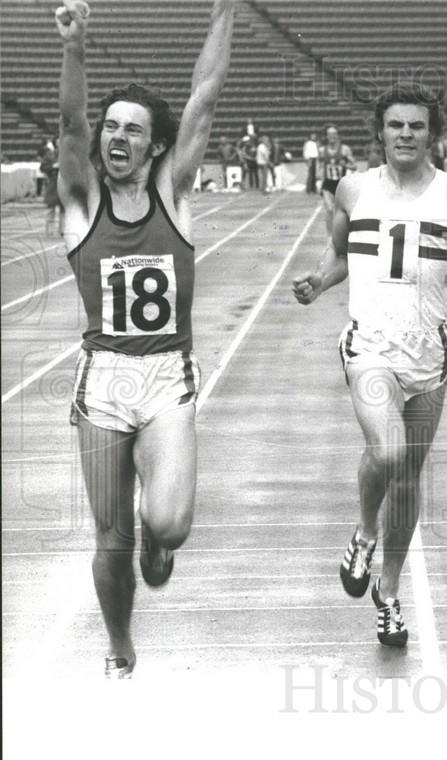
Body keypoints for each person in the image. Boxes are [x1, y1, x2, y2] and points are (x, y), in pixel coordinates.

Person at [292, 82, 447, 647]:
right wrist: (319, 280)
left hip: (428, 356)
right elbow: (341, 252)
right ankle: (364, 533)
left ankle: (388, 593)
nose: (406, 135)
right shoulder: (353, 189)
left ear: (433, 134)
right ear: (381, 132)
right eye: (396, 125)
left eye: (417, 126)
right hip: (369, 345)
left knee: (409, 477)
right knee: (387, 451)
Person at [55, 0, 235, 678]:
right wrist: (75, 47)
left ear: (156, 144)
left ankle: (159, 547)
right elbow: (69, 125)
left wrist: (224, 13)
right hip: (103, 381)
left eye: (133, 128)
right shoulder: (81, 204)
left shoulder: (174, 195)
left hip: (166, 380)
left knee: (169, 526)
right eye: (111, 127)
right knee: (110, 538)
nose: (115, 137)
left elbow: (206, 98)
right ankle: (120, 647)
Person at [318, 125, 354, 234]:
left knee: (343, 213)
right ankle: (330, 237)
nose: (332, 136)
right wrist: (319, 183)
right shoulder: (321, 150)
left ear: (338, 135)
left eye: (334, 134)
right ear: (326, 136)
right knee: (329, 210)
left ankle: (343, 235)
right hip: (328, 184)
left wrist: (346, 165)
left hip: (341, 184)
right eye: (329, 134)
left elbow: (354, 166)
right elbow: (320, 168)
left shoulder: (345, 149)